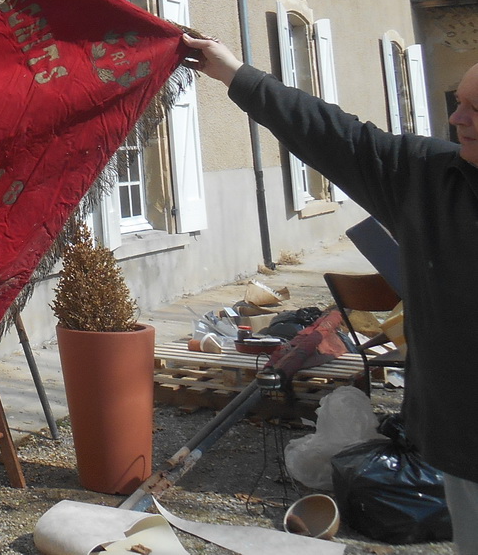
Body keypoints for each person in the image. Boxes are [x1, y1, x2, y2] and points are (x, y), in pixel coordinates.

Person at [183, 34, 478, 552]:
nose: (456, 120)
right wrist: (235, 74)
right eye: (458, 103)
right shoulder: (431, 179)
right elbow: (337, 137)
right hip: (463, 442)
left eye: (475, 110)